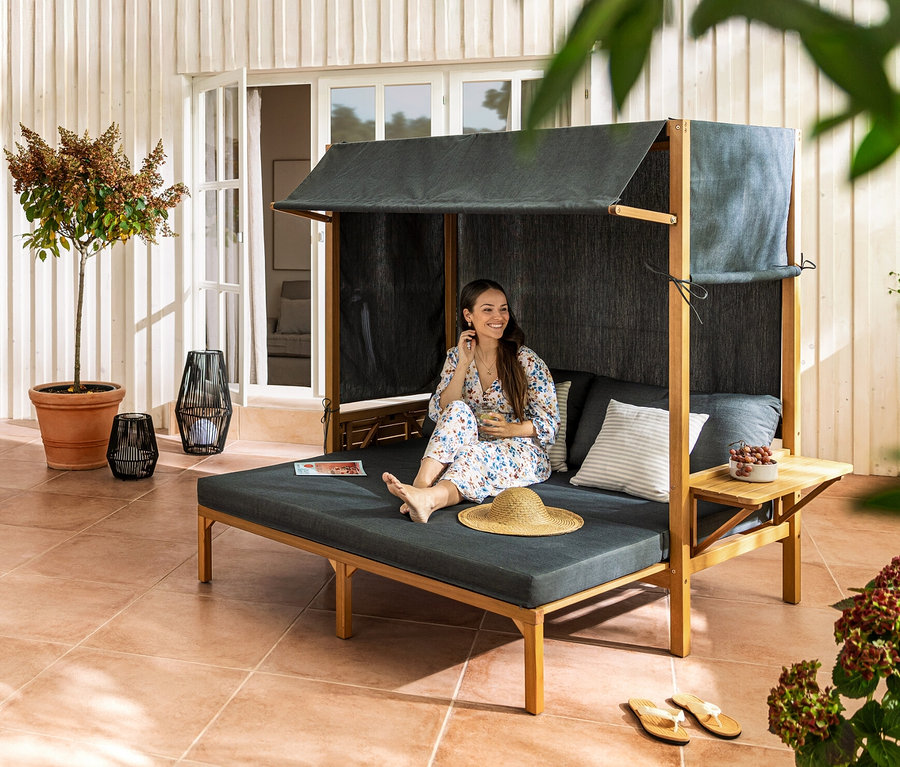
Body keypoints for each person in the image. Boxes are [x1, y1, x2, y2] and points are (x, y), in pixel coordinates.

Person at [382, 278, 559, 523]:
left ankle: (425, 498)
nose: (498, 316)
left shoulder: (526, 361)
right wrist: (464, 363)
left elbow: (550, 424)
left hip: (520, 450)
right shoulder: (456, 357)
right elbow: (441, 411)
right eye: (488, 309)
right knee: (456, 408)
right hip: (469, 440)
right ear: (468, 315)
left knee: (473, 455)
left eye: (503, 308)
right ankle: (420, 486)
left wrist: (510, 429)